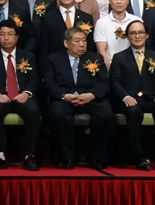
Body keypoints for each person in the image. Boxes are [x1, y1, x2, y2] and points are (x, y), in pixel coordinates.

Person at [42, 27, 112, 170]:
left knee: (106, 115)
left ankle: (96, 157)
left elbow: (104, 83)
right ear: (66, 43)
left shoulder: (95, 58)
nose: (82, 44)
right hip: (65, 98)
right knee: (58, 114)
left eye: (84, 41)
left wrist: (91, 95)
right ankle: (67, 157)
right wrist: (63, 95)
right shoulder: (53, 60)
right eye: (77, 41)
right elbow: (49, 83)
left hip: (90, 98)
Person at [0, 19, 41, 171]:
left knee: (33, 111)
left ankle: (29, 156)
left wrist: (26, 93)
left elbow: (34, 79)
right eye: (2, 34)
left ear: (17, 37)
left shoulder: (28, 56)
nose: (6, 38)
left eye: (10, 34)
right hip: (1, 97)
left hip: (22, 96)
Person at [109, 20, 155, 171]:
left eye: (141, 32)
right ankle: (140, 157)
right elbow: (114, 82)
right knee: (133, 111)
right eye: (133, 33)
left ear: (147, 35)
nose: (137, 36)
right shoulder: (119, 57)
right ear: (127, 36)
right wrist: (125, 97)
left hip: (151, 98)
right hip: (130, 99)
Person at [39, 0, 95, 64]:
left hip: (81, 64)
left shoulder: (86, 18)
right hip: (56, 64)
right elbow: (43, 47)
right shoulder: (47, 18)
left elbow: (90, 45)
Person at [94, 0, 141, 70]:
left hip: (135, 66)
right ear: (109, 0)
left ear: (127, 0)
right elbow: (102, 50)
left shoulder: (136, 21)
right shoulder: (102, 23)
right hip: (112, 67)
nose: (119, 2)